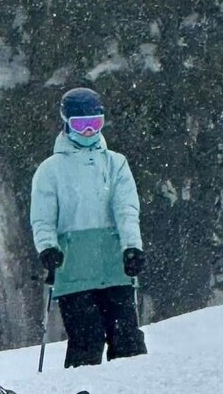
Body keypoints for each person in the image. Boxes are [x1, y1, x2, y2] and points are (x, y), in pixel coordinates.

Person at [29, 87, 147, 368]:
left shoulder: (115, 163)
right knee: (87, 338)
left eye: (94, 124)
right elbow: (42, 217)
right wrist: (47, 247)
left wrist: (132, 246)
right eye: (80, 125)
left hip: (113, 266)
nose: (87, 132)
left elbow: (126, 209)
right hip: (74, 270)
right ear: (66, 123)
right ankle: (81, 393)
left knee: (126, 339)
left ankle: (135, 391)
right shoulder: (51, 170)